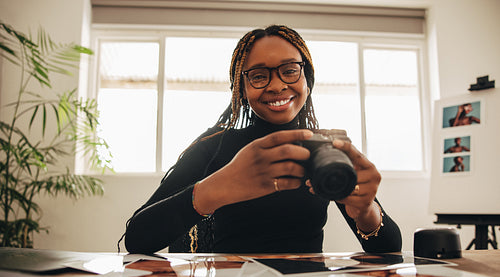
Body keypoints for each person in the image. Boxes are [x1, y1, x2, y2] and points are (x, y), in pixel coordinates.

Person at [122, 25, 402, 254]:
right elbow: (136, 239)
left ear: (308, 79)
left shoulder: (325, 149)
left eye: (290, 70)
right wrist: (213, 190)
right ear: (241, 89)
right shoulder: (212, 148)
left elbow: (389, 249)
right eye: (258, 76)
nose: (277, 85)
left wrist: (366, 210)